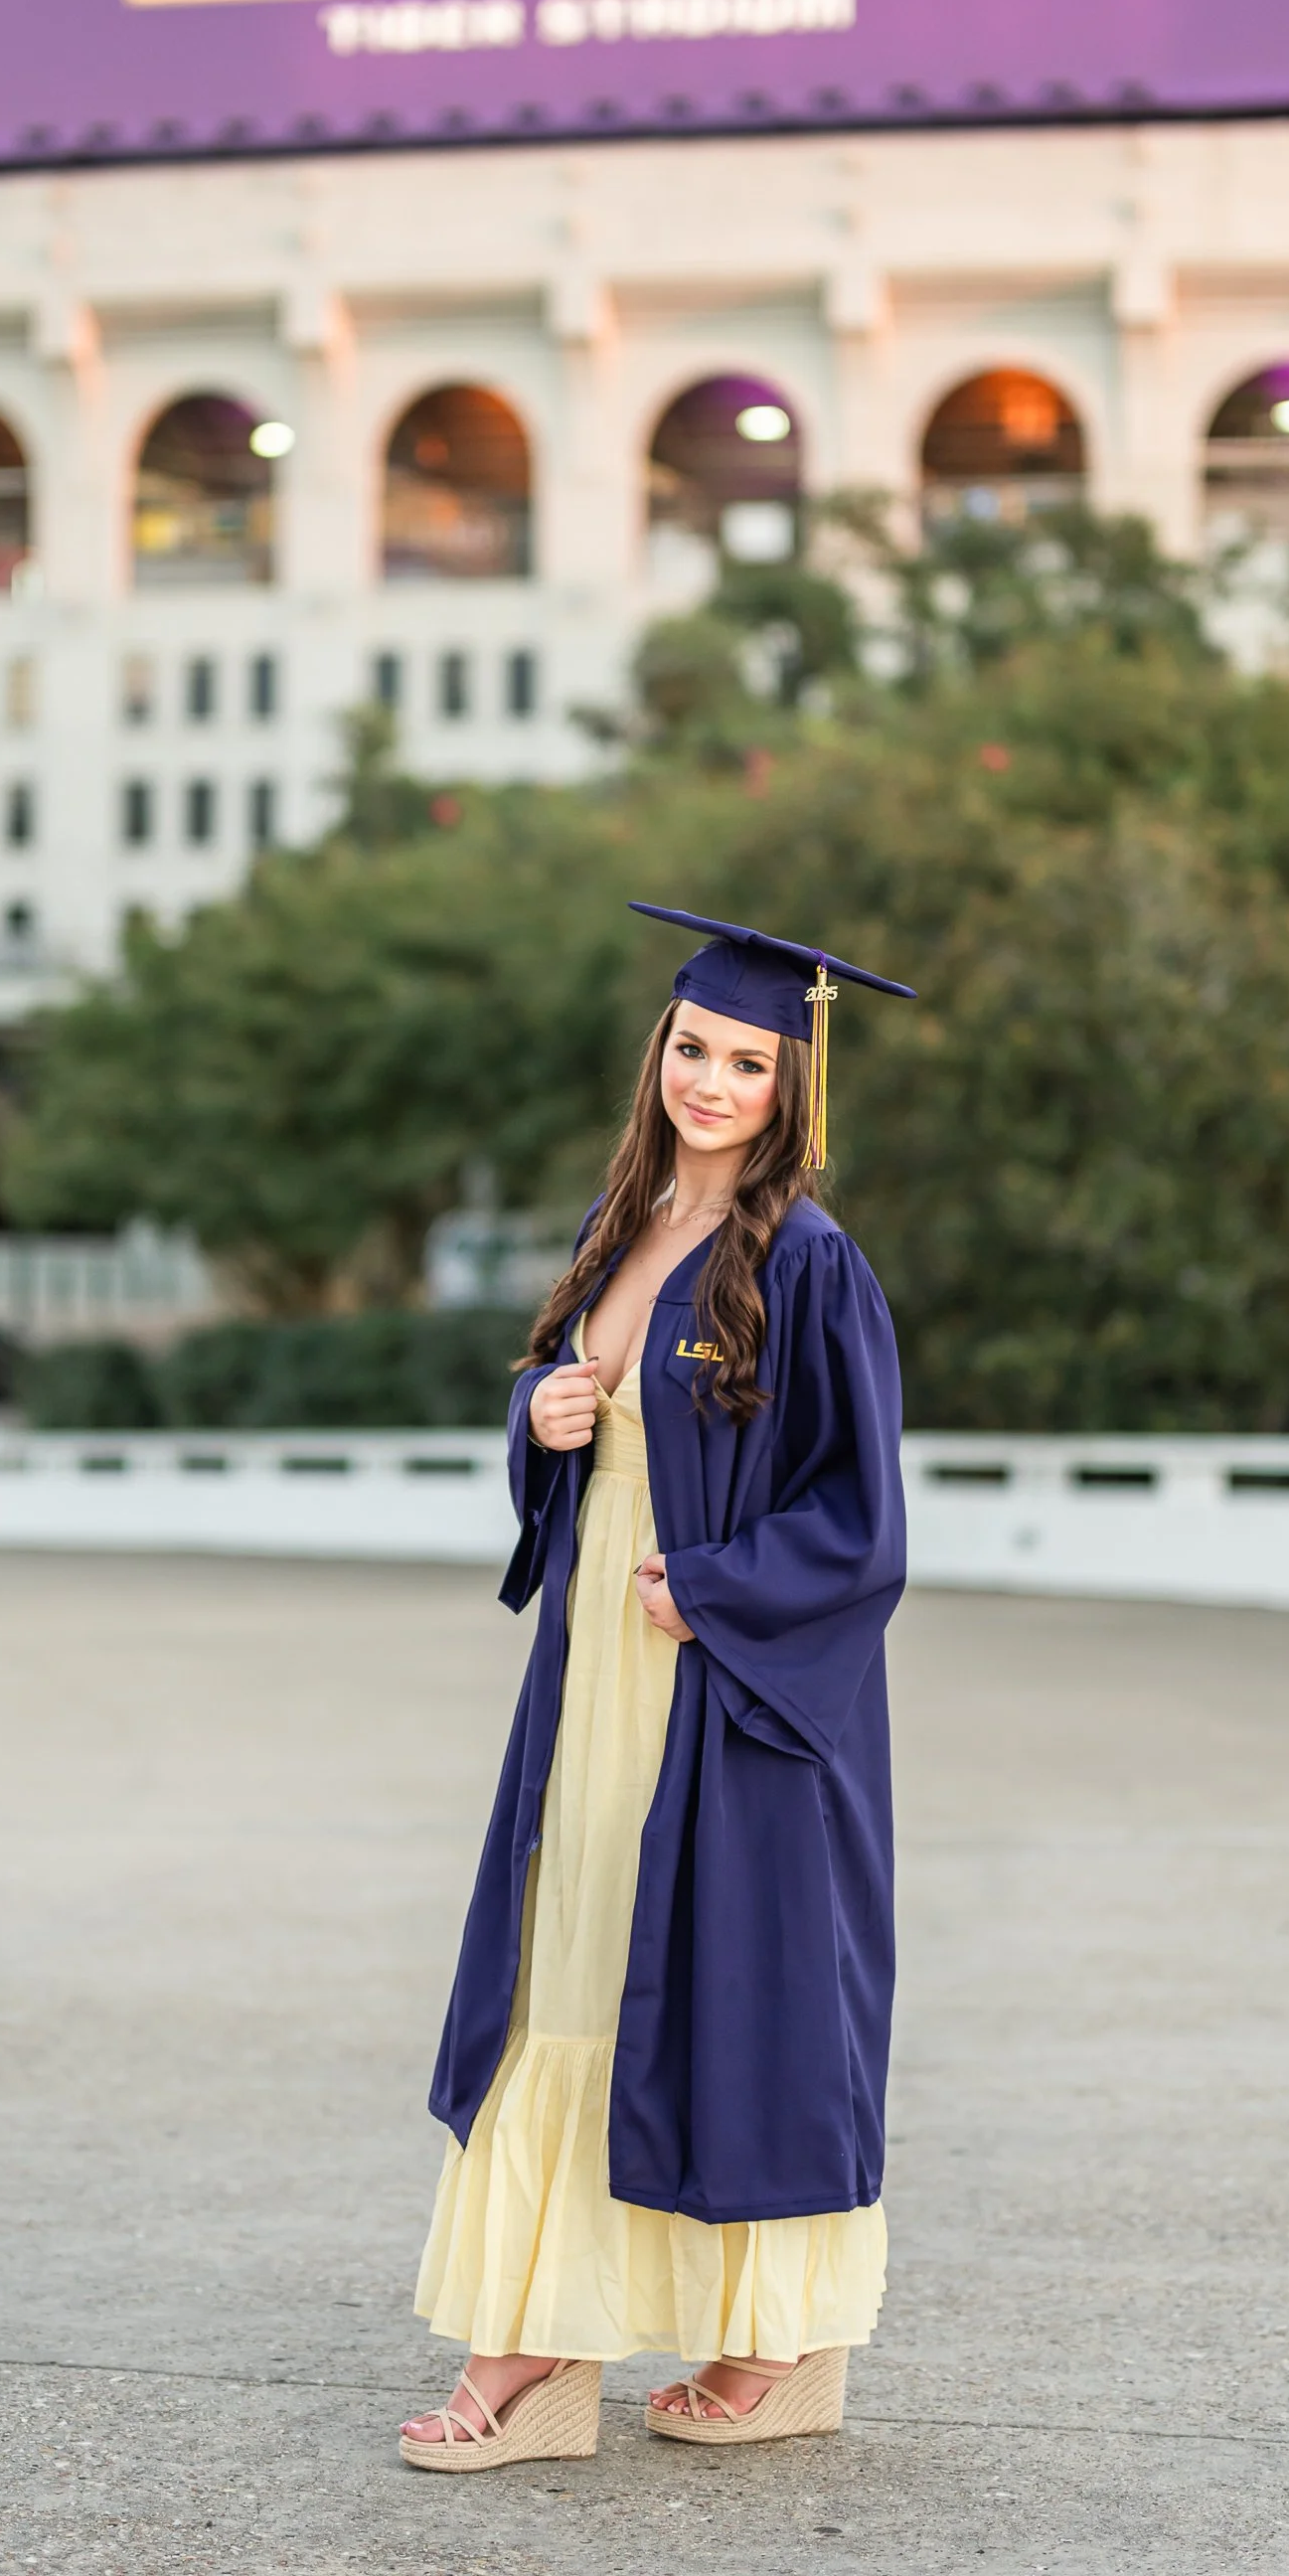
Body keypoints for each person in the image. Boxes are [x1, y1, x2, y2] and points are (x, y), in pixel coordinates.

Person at [402, 902, 912, 2474]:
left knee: (699, 1989)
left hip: (725, 1690)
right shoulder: (618, 1232)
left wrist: (711, 1589)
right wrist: (544, 1417)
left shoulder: (812, 1266)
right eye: (694, 1047)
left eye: (747, 1062)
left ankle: (758, 2346)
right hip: (592, 1672)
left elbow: (862, 1517)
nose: (711, 1081)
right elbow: (585, 1435)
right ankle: (559, 2352)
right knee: (570, 1969)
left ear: (789, 1089)